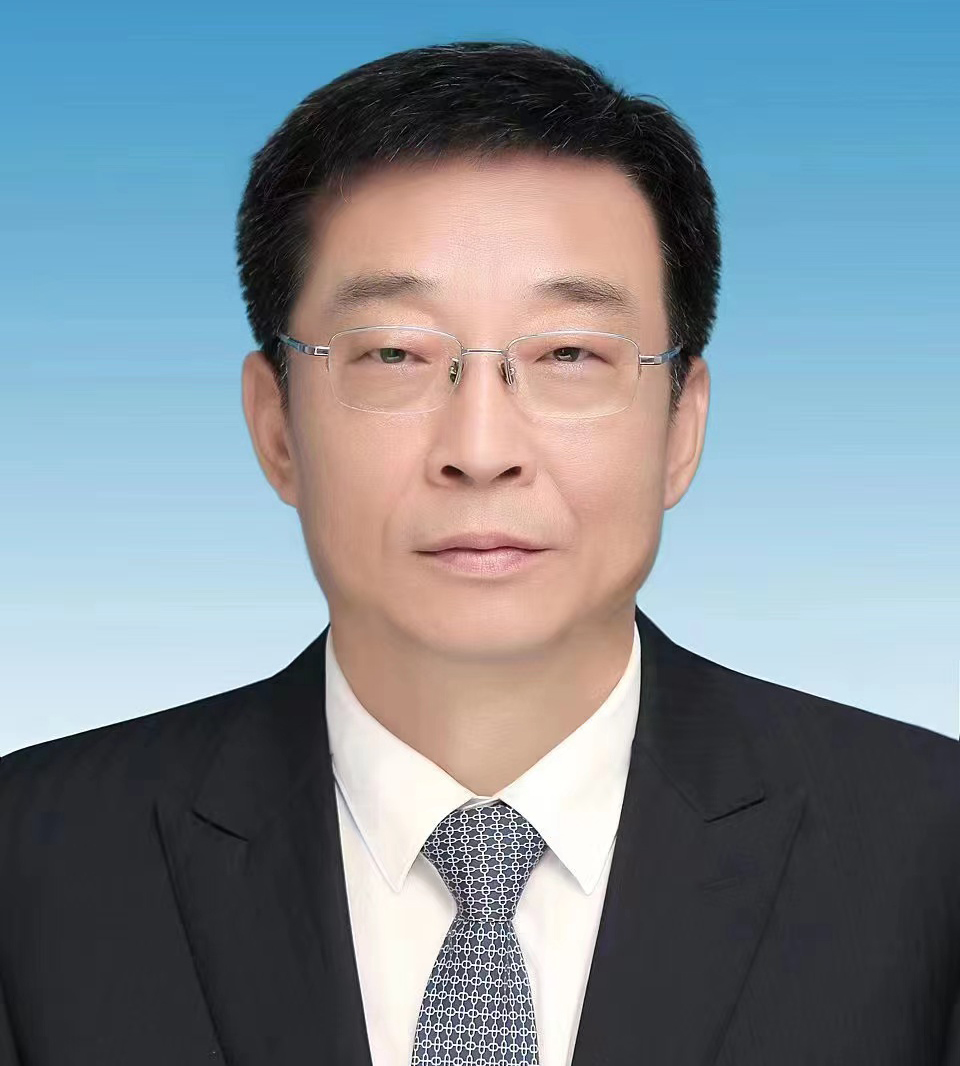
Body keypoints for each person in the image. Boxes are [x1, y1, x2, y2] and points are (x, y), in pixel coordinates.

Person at [1, 39, 958, 1066]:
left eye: (570, 354)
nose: (482, 448)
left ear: (683, 426)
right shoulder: (33, 862)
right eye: (395, 354)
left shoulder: (927, 850)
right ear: (275, 426)